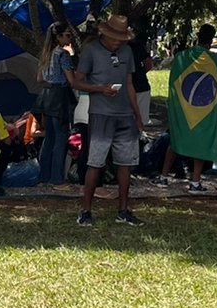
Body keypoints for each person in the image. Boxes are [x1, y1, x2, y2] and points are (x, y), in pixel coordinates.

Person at [75, 14, 144, 227]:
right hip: (101, 113)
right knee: (95, 162)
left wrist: (137, 113)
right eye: (115, 38)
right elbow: (78, 82)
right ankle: (86, 210)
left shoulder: (127, 51)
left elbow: (130, 83)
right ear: (104, 34)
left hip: (124, 114)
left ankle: (123, 210)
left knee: (126, 163)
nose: (118, 42)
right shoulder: (91, 51)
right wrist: (100, 89)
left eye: (122, 38)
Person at [163, 24, 217, 192]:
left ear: (197, 36)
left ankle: (163, 176)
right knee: (201, 143)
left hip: (183, 105)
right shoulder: (215, 60)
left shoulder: (182, 56)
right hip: (203, 107)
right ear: (211, 40)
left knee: (176, 138)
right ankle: (195, 181)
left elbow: (174, 82)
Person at [35, 22, 79, 185]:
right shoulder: (63, 54)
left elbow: (39, 78)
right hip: (59, 97)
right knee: (61, 138)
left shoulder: (46, 53)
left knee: (49, 138)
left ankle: (43, 175)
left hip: (46, 96)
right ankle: (57, 177)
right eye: (67, 35)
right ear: (59, 36)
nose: (70, 37)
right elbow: (72, 80)